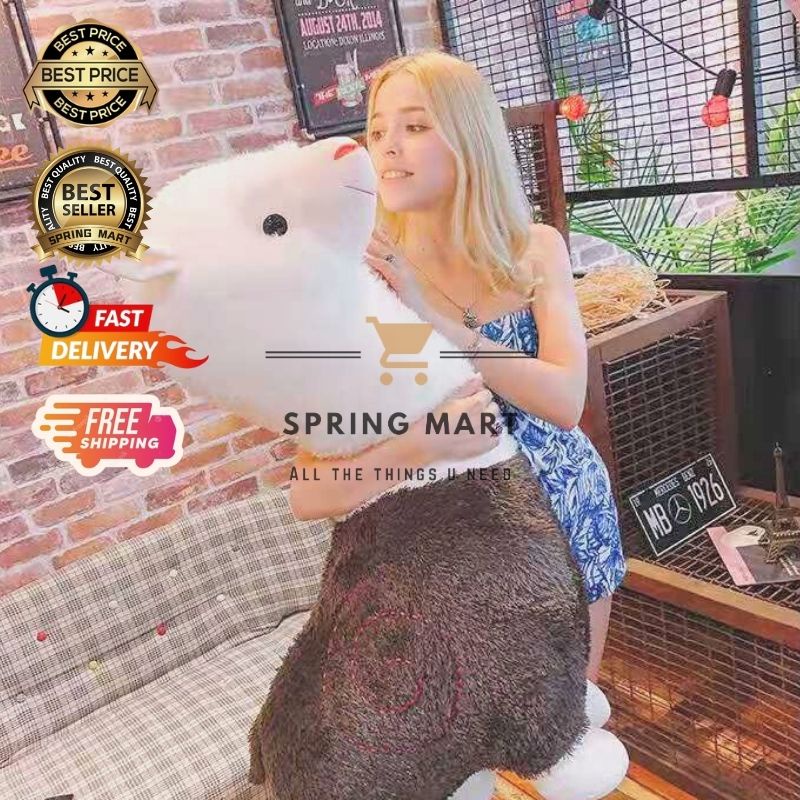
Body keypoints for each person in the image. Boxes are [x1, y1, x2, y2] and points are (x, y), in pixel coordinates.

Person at [289, 50, 627, 683]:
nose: (388, 146)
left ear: (470, 139)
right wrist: (425, 442)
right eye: (377, 131)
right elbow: (310, 490)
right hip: (448, 544)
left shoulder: (534, 250)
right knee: (479, 725)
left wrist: (441, 325)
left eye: (415, 126)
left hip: (566, 506)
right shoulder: (360, 281)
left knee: (574, 713)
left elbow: (564, 402)